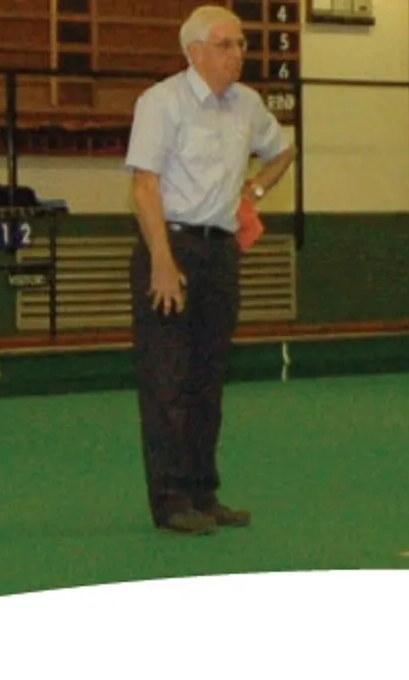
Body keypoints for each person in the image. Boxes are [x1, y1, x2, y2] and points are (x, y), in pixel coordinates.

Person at [123, 5, 294, 535]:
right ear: (193, 51)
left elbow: (284, 149)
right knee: (166, 382)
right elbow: (143, 186)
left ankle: (203, 491)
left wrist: (257, 189)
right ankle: (170, 500)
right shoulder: (161, 102)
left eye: (241, 44)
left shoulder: (247, 105)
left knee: (208, 380)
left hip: (221, 253)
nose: (238, 54)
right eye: (226, 45)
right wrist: (162, 263)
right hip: (169, 247)